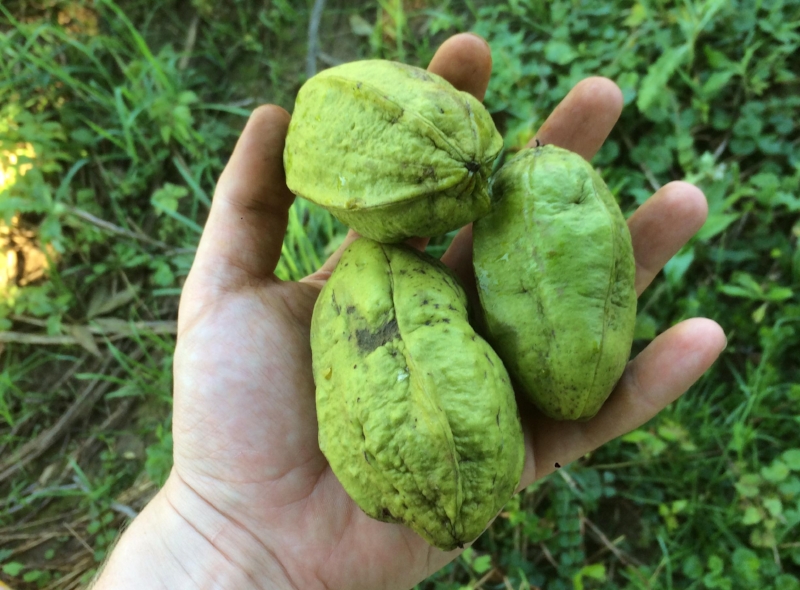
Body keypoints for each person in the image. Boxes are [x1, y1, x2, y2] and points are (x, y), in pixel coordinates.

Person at [90, 33, 726, 589]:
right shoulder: (383, 250)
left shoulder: (446, 195)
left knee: (566, 382)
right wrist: (223, 525)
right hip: (405, 326)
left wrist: (219, 535)